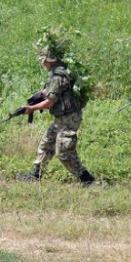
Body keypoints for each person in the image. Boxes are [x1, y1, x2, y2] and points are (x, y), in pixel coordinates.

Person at [18, 47, 96, 186]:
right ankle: (36, 175)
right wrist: (40, 94)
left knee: (64, 151)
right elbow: (55, 92)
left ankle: (87, 179)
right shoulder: (62, 72)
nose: (43, 64)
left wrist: (31, 108)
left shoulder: (57, 77)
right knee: (47, 144)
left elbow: (50, 102)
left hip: (69, 118)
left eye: (44, 60)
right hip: (62, 118)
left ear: (51, 60)